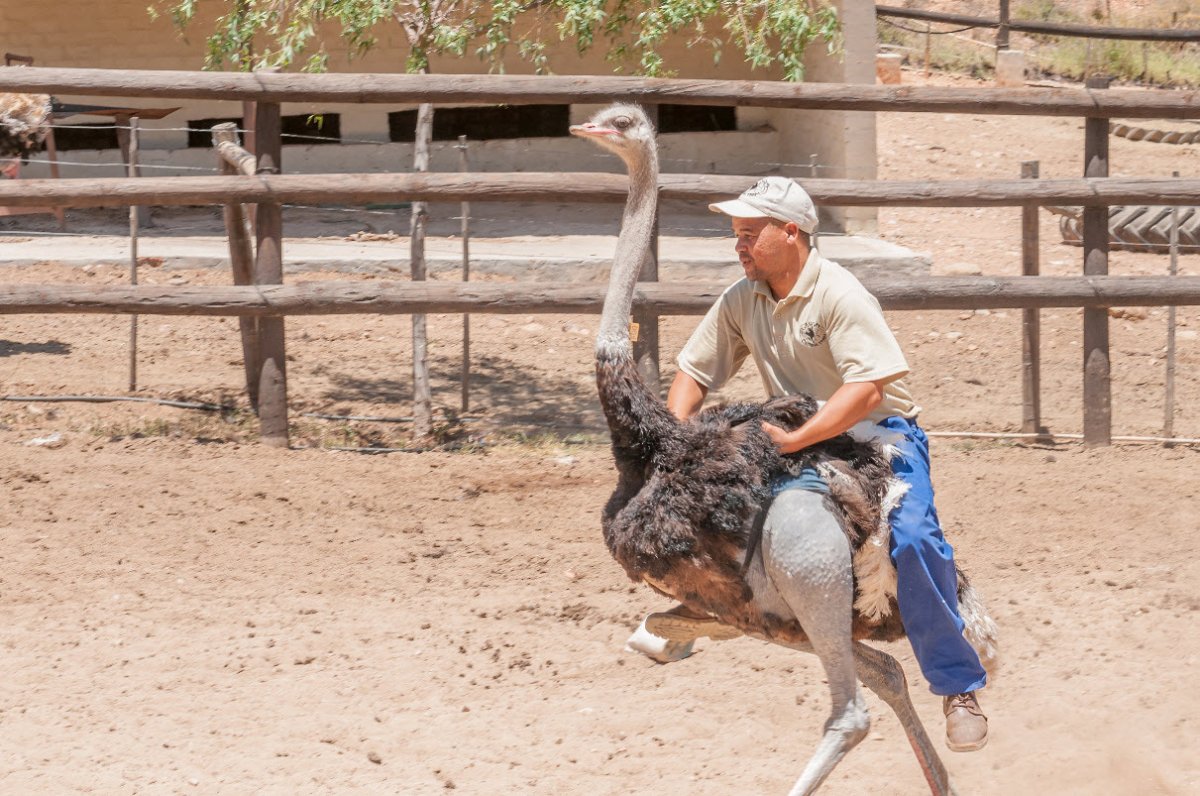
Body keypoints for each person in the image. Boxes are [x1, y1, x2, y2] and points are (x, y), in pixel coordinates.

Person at [624, 176, 989, 752]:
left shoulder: (840, 294)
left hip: (878, 436)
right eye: (736, 235)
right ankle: (709, 605)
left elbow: (868, 390)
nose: (738, 246)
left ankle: (958, 685)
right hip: (798, 432)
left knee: (913, 537)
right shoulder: (746, 295)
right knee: (713, 498)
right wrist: (675, 439)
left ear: (789, 232)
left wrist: (799, 442)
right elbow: (694, 373)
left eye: (749, 234)